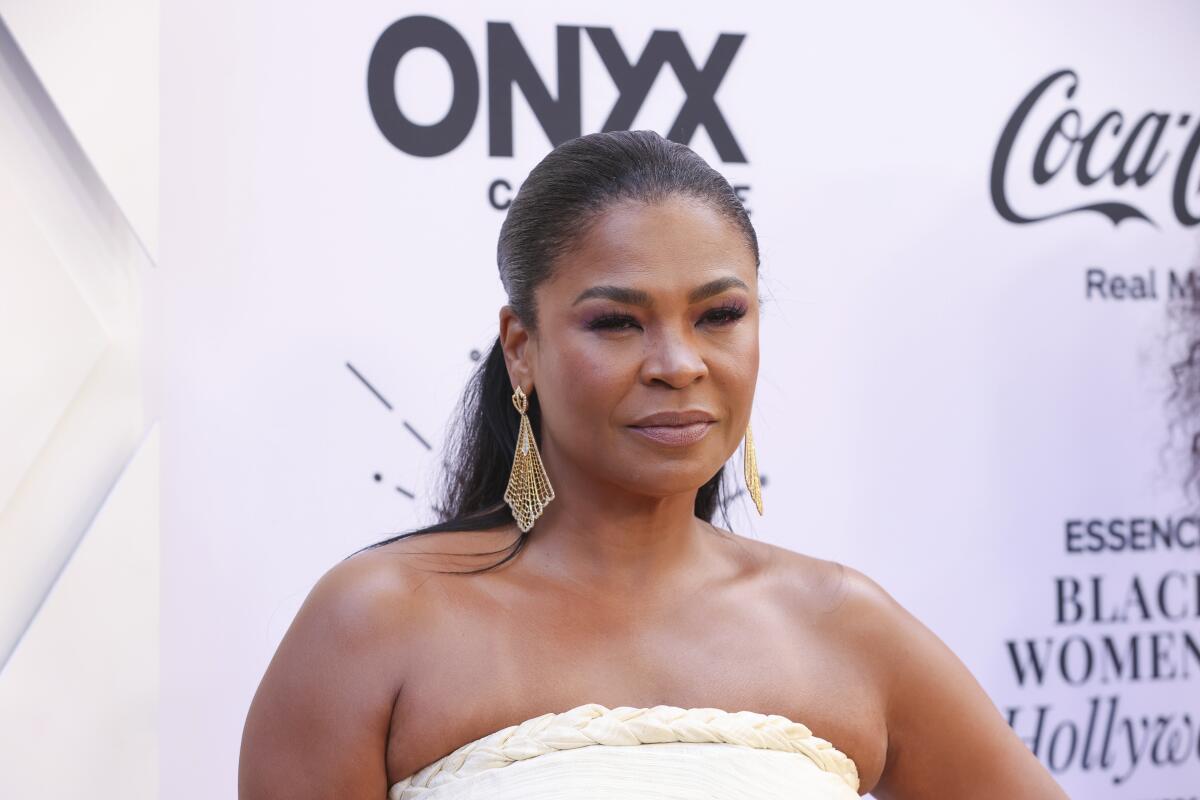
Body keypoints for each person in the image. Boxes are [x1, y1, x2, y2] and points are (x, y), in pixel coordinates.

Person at [238, 129, 1070, 799]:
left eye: (720, 314)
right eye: (617, 323)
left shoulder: (837, 620)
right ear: (521, 349)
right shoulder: (377, 621)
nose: (679, 362)